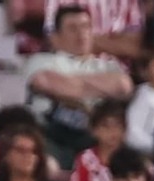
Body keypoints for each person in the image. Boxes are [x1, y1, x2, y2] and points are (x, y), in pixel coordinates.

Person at [24, 5, 134, 168]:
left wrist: (69, 85)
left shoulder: (108, 66)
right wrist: (101, 88)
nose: (81, 34)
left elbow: (123, 86)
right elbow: (45, 82)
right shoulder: (41, 60)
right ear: (55, 37)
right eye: (72, 28)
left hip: (97, 137)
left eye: (85, 27)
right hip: (52, 135)